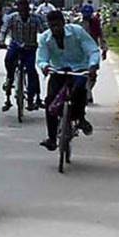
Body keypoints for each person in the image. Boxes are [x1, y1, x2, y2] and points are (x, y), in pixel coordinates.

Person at [36, 8, 102, 151]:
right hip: (58, 70)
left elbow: (92, 50)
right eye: (52, 26)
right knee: (50, 102)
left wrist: (92, 66)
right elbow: (41, 58)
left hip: (79, 69)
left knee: (79, 90)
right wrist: (45, 66)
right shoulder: (45, 38)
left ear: (63, 23)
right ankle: (52, 138)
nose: (55, 29)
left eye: (58, 25)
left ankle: (80, 118)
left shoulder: (77, 32)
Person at [0, 0, 48, 111]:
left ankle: (32, 98)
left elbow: (44, 32)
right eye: (21, 9)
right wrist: (1, 41)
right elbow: (4, 30)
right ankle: (9, 84)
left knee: (31, 70)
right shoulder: (12, 18)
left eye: (25, 9)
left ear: (29, 9)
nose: (23, 12)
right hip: (15, 46)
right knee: (9, 62)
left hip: (30, 48)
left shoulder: (36, 19)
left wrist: (47, 43)